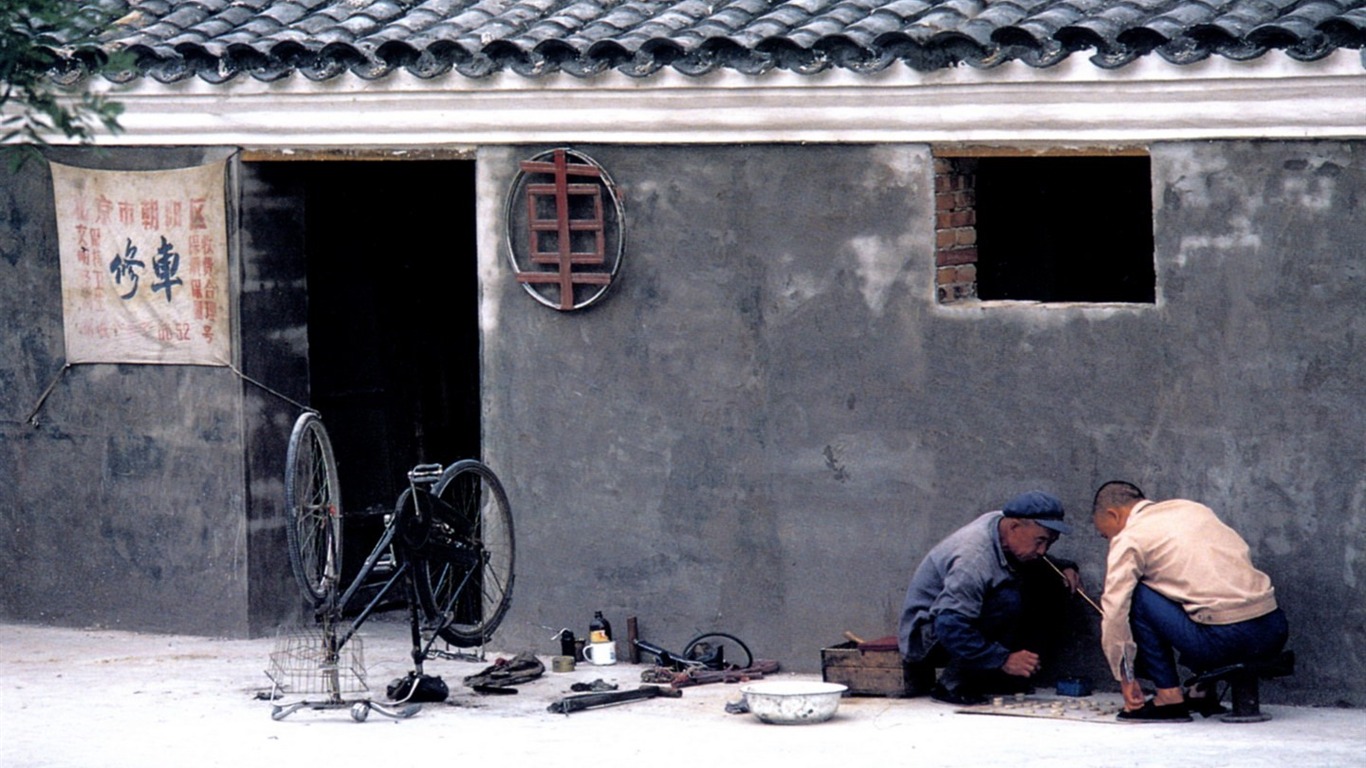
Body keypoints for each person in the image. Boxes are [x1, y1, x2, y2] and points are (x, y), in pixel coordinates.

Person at [1091, 481, 1290, 722]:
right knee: (1185, 588)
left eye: (1106, 534)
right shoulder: (1192, 510)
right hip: (1274, 630)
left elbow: (1114, 610)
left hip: (1226, 640)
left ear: (1114, 514)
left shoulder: (1129, 537)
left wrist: (1125, 675)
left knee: (1138, 595)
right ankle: (1201, 692)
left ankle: (1168, 697)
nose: (1109, 540)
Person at [897, 490, 1083, 705]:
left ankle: (992, 676)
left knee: (1042, 582)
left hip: (955, 621)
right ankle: (951, 683)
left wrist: (1064, 568)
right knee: (1007, 598)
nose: (1042, 551)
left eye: (1049, 543)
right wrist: (1003, 659)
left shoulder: (1004, 524)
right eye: (1039, 541)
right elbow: (950, 625)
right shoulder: (973, 560)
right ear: (1014, 526)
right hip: (930, 638)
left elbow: (1038, 556)